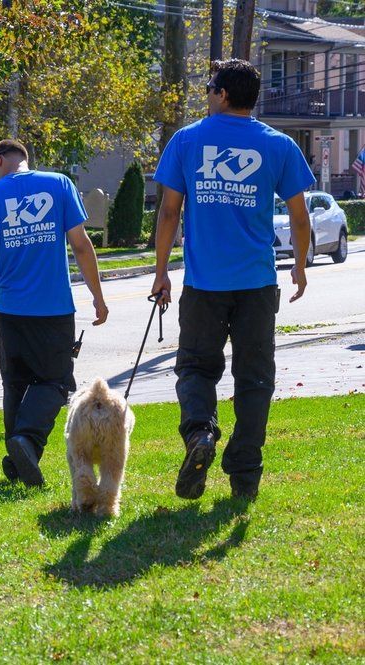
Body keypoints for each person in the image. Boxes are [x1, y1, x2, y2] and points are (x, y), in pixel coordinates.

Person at [151, 58, 314, 501]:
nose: (206, 94)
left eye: (210, 87)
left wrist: (162, 270)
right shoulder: (278, 145)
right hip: (257, 286)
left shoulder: (187, 140)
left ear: (223, 94)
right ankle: (245, 471)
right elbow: (300, 216)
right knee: (255, 377)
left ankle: (201, 433)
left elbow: (168, 212)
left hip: (204, 285)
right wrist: (299, 264)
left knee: (196, 368)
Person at [0, 139, 108, 487]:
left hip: (11, 310)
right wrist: (97, 296)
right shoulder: (59, 183)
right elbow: (80, 245)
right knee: (57, 382)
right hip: (54, 308)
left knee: (16, 383)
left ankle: (17, 462)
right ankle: (26, 442)